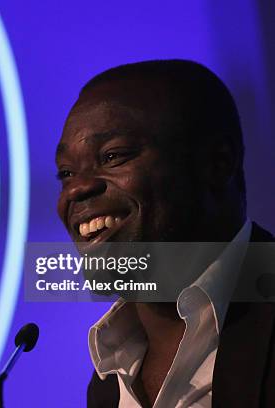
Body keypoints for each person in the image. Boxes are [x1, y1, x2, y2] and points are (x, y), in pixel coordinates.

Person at [55, 59, 275, 407]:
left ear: (217, 163)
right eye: (65, 173)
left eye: (113, 156)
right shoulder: (108, 379)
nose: (76, 190)